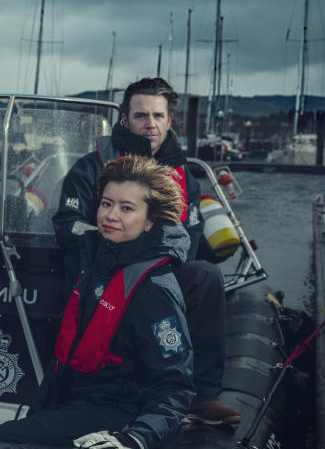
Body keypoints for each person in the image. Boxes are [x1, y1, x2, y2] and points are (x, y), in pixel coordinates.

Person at [52, 77, 240, 426]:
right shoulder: (91, 168)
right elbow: (68, 226)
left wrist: (151, 263)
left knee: (206, 276)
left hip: (157, 279)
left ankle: (201, 395)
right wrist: (125, 244)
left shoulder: (186, 178)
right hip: (103, 275)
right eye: (140, 116)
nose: (149, 124)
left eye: (157, 116)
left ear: (170, 120)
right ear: (125, 119)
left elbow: (191, 238)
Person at [0, 155, 194, 449]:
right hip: (74, 396)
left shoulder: (154, 288)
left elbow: (176, 385)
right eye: (106, 203)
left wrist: (137, 437)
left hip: (117, 408)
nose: (111, 215)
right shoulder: (99, 259)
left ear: (150, 221)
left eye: (127, 208)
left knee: (3, 438)